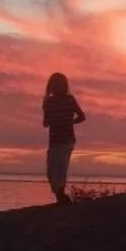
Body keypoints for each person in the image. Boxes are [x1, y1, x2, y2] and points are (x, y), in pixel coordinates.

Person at [42, 72, 86, 203]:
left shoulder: (69, 99)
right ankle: (60, 198)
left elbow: (82, 116)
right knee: (51, 171)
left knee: (60, 168)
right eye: (55, 84)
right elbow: (45, 122)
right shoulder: (48, 101)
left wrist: (70, 122)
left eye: (60, 84)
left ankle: (61, 198)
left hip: (67, 139)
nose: (57, 87)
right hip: (54, 141)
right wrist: (50, 119)